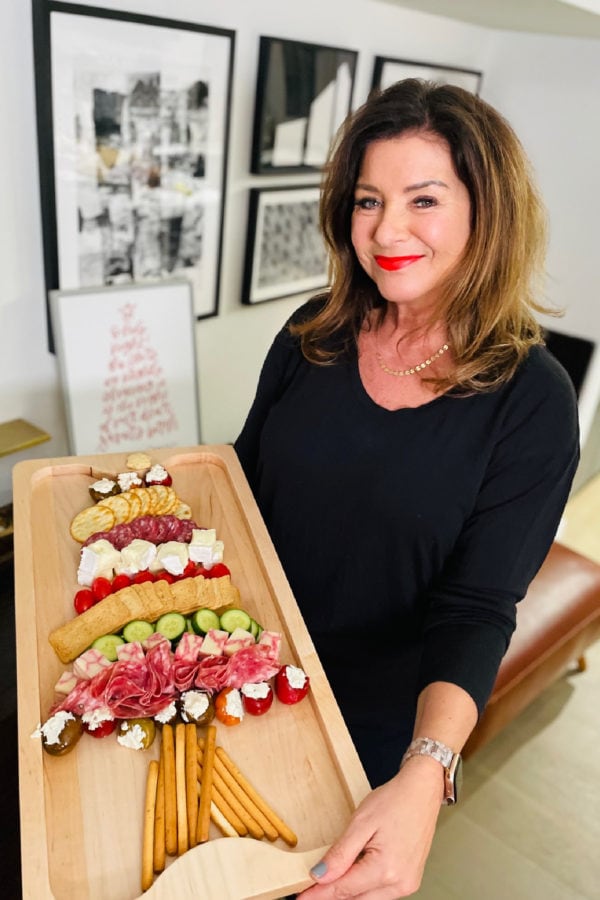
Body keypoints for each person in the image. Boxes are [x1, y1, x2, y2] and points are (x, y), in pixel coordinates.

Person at [234, 79, 579, 898]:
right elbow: (241, 486)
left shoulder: (532, 402)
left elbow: (477, 610)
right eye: (366, 201)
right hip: (240, 666)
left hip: (359, 727)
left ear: (484, 211)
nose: (386, 231)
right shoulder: (312, 331)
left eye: (423, 199)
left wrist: (428, 771)